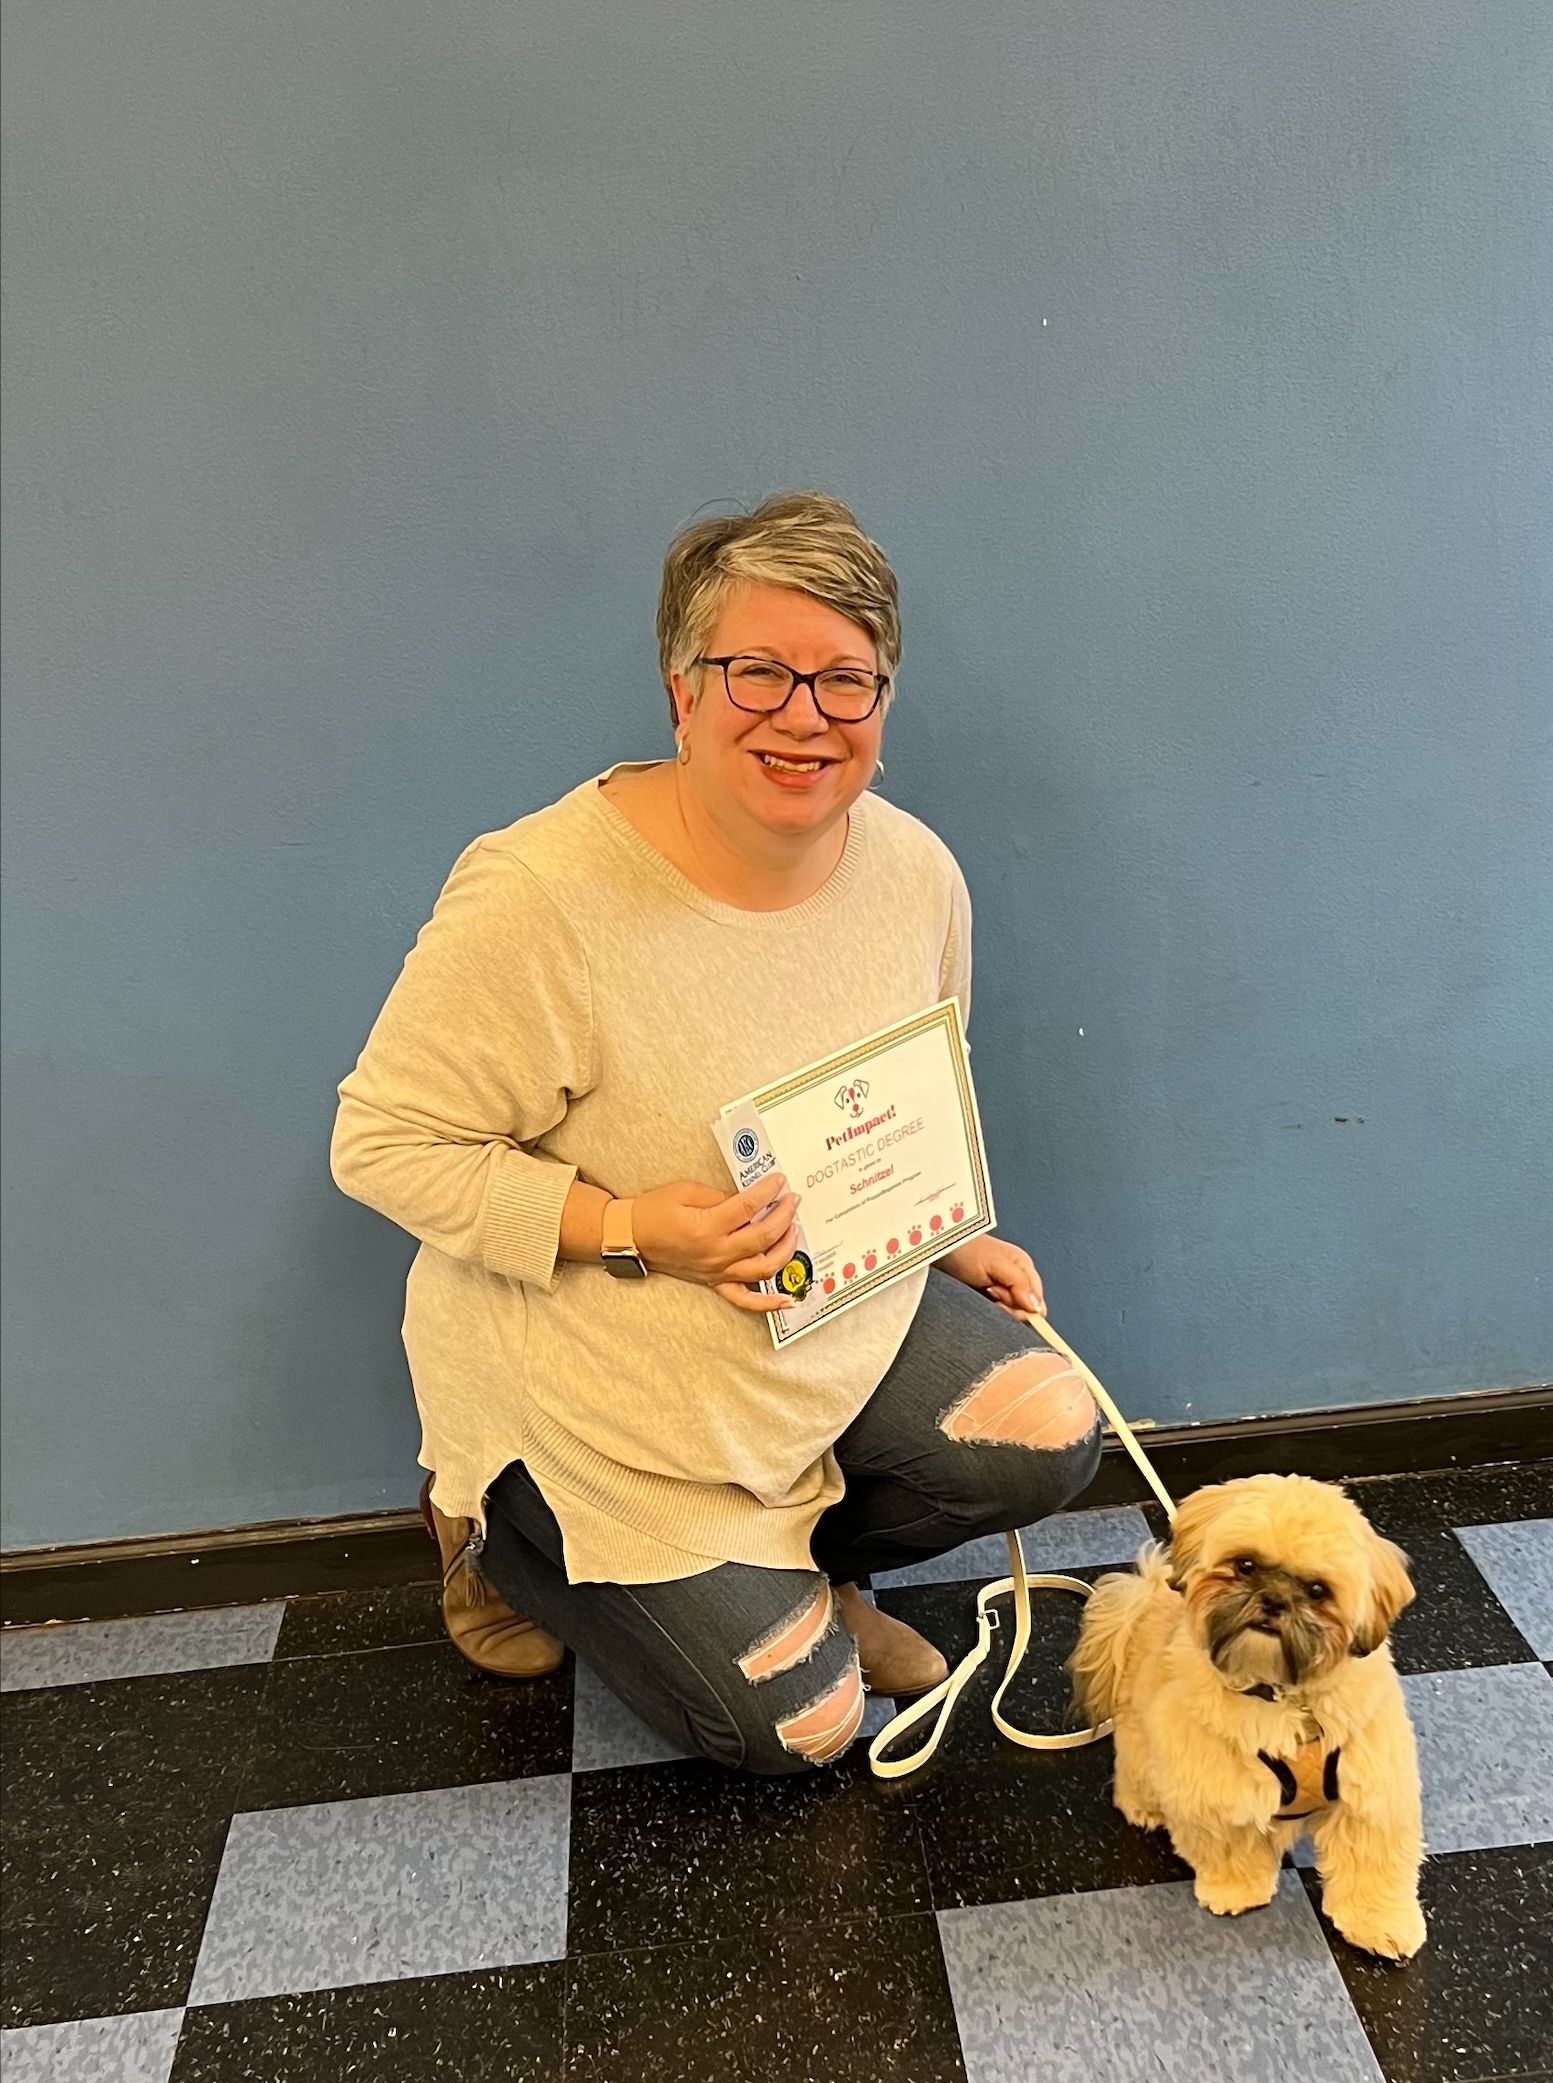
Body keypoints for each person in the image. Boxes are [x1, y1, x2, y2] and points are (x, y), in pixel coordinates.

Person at [331, 492, 1101, 1772]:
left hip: (817, 1315)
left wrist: (947, 1231)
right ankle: (498, 1541)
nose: (804, 714)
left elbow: (911, 1086)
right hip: (600, 1372)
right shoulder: (540, 896)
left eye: (846, 680)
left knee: (1047, 1426)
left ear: (885, 702)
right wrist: (633, 1229)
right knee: (799, 1728)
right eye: (758, 672)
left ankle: (806, 1569)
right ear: (683, 691)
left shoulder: (917, 873)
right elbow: (386, 1142)